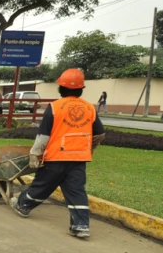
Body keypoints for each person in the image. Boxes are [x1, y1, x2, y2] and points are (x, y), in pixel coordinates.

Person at [10, 69, 106, 239]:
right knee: (76, 191)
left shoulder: (54, 107)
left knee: (42, 185)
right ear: (81, 89)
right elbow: (99, 134)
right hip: (78, 158)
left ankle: (23, 204)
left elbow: (43, 136)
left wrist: (35, 154)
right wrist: (88, 148)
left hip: (56, 157)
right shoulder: (89, 107)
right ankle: (81, 225)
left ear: (61, 88)